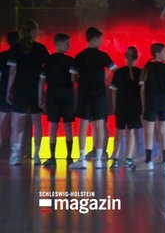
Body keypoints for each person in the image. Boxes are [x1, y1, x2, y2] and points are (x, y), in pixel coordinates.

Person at [69, 27, 117, 169]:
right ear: (95, 39)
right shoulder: (103, 55)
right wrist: (107, 79)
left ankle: (82, 158)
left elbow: (73, 76)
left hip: (84, 93)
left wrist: (80, 79)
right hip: (99, 93)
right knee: (99, 125)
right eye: (101, 39)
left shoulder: (79, 56)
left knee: (83, 125)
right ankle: (99, 159)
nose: (102, 41)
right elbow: (115, 70)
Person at [6, 20, 49, 166]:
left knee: (17, 123)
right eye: (37, 29)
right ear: (33, 32)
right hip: (36, 90)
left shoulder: (15, 49)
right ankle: (37, 156)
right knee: (37, 123)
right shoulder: (41, 48)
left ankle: (15, 155)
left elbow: (13, 71)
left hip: (19, 89)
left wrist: (8, 90)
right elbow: (46, 70)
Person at [39, 33, 75, 167]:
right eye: (67, 43)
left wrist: (40, 99)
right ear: (58, 43)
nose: (69, 46)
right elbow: (73, 79)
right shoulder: (71, 60)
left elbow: (42, 81)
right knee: (68, 126)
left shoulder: (48, 61)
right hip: (67, 96)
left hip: (52, 96)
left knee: (52, 126)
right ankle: (69, 157)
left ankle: (52, 157)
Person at [137, 43, 165, 171]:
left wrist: (143, 105)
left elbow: (142, 89)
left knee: (149, 130)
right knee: (163, 129)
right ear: (157, 54)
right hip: (164, 102)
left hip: (151, 102)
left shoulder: (146, 68)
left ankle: (148, 161)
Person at [109, 46, 142, 170]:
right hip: (135, 106)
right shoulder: (140, 72)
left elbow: (114, 92)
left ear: (125, 57)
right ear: (137, 58)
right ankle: (128, 159)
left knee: (118, 132)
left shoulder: (118, 72)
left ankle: (115, 159)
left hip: (121, 105)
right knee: (131, 132)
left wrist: (114, 106)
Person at [0, 32, 18, 150]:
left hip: (3, 90)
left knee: (1, 123)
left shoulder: (2, 56)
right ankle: (15, 153)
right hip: (19, 90)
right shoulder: (21, 56)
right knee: (16, 125)